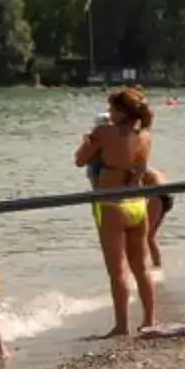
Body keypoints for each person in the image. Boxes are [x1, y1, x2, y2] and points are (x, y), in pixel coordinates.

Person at [73, 88, 159, 337]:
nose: (109, 113)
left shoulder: (104, 133)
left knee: (117, 269)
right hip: (137, 202)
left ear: (122, 111)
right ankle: (149, 319)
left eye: (112, 109)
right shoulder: (145, 135)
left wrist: (87, 142)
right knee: (141, 267)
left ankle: (121, 325)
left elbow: (80, 160)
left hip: (111, 203)